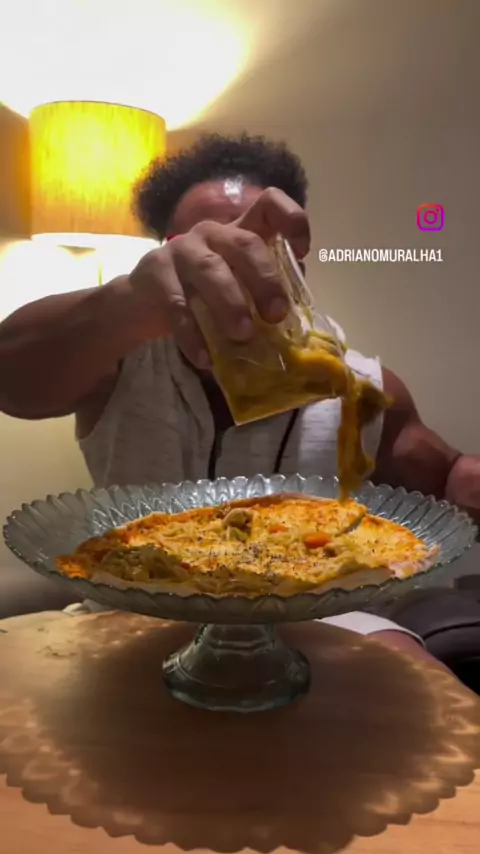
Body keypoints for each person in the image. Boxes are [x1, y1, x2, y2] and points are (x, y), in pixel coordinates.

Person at [0, 133, 478, 672]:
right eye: (201, 249)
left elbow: (448, 479)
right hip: (130, 608)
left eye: (257, 247)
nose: (228, 269)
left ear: (296, 264)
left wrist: (462, 478)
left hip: (322, 619)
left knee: (421, 682)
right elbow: (11, 378)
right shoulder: (114, 358)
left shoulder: (362, 389)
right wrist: (131, 301)